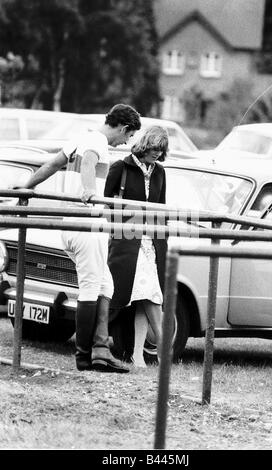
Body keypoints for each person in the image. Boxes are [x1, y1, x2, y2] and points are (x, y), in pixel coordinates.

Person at [21, 104, 141, 373]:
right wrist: (88, 190)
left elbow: (52, 164)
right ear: (123, 128)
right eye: (128, 136)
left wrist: (26, 186)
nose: (125, 143)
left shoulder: (80, 137)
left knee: (105, 285)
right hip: (86, 222)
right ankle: (84, 355)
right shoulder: (96, 142)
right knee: (90, 286)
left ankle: (100, 349)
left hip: (74, 224)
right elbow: (88, 160)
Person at [104, 125, 169, 367]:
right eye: (154, 148)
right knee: (144, 292)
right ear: (145, 145)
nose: (157, 154)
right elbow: (106, 204)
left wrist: (163, 240)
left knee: (148, 293)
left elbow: (161, 208)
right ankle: (163, 346)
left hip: (151, 242)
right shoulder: (121, 167)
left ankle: (138, 354)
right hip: (126, 241)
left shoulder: (160, 172)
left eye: (161, 150)